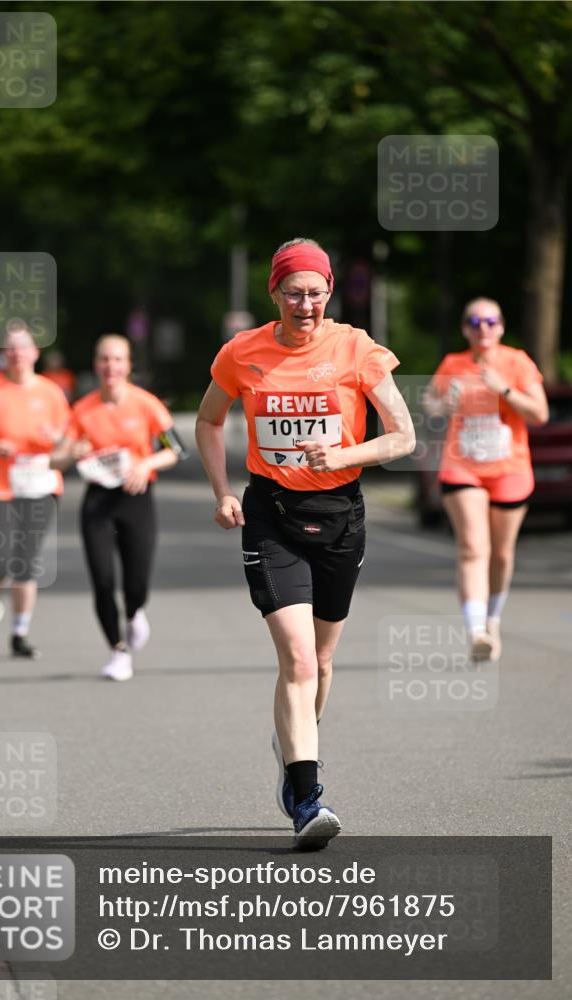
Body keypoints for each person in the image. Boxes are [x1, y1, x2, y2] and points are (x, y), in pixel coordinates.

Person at [196, 238, 415, 848]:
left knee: (319, 662)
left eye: (316, 292)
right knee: (295, 658)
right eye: (294, 293)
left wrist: (342, 454)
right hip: (272, 514)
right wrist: (222, 491)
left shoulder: (355, 348)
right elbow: (208, 420)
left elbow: (402, 437)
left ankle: (296, 745)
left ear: (329, 293)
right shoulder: (243, 352)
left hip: (341, 514)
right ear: (275, 293)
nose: (306, 305)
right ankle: (307, 797)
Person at [424, 297, 548, 662]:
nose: (484, 328)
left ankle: (492, 620)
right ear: (466, 329)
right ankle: (477, 631)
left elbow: (540, 413)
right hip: (462, 466)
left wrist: (503, 389)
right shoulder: (453, 364)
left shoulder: (517, 362)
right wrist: (442, 406)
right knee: (473, 547)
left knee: (502, 554)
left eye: (491, 321)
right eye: (476, 322)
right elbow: (429, 404)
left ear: (501, 327)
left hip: (510, 468)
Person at [56, 335, 185, 680]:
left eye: (117, 360)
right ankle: (118, 650)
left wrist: (146, 464)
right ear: (95, 364)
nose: (110, 366)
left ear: (128, 365)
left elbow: (176, 449)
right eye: (104, 359)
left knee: (136, 581)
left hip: (136, 498)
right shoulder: (82, 409)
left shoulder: (146, 404)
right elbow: (56, 458)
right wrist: (71, 453)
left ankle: (134, 612)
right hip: (98, 501)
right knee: (102, 579)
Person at [0, 323, 71, 658]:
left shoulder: (51, 392)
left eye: (23, 346)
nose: (17, 353)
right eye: (11, 347)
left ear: (35, 352)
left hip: (41, 484)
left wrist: (56, 440)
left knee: (25, 561)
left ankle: (19, 632)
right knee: (0, 558)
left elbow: (69, 438)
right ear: (4, 354)